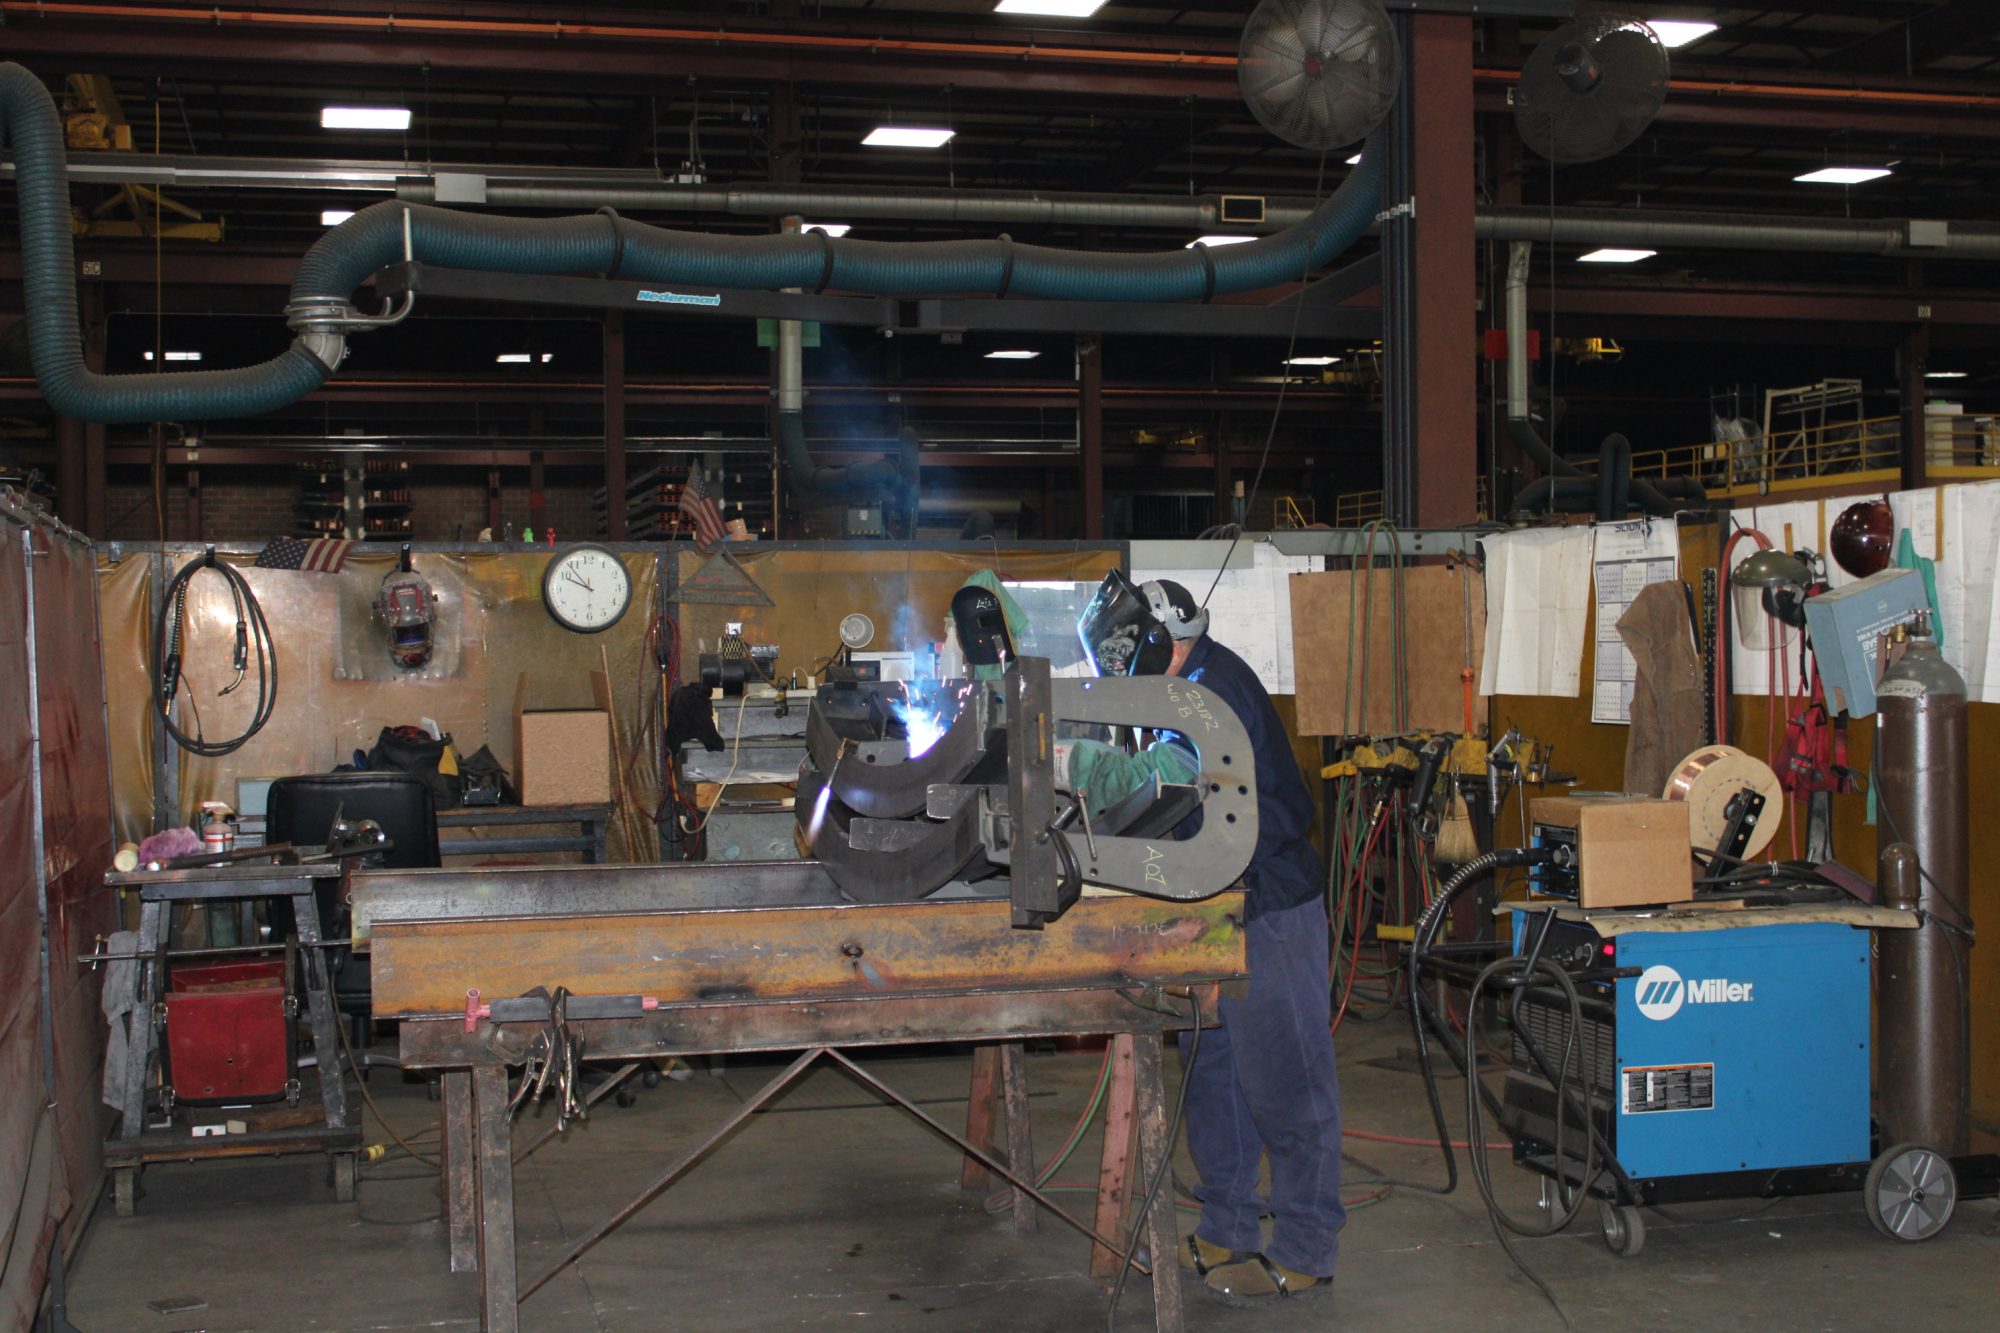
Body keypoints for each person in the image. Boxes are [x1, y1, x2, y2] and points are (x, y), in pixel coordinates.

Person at [1065, 572, 1341, 1305]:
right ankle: (1227, 1224)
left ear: (1157, 643)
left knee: (1286, 1081)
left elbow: (1165, 785)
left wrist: (1078, 768)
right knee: (1214, 1074)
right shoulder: (1175, 687)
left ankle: (1308, 1245)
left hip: (1270, 907)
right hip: (1213, 907)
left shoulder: (1210, 693)